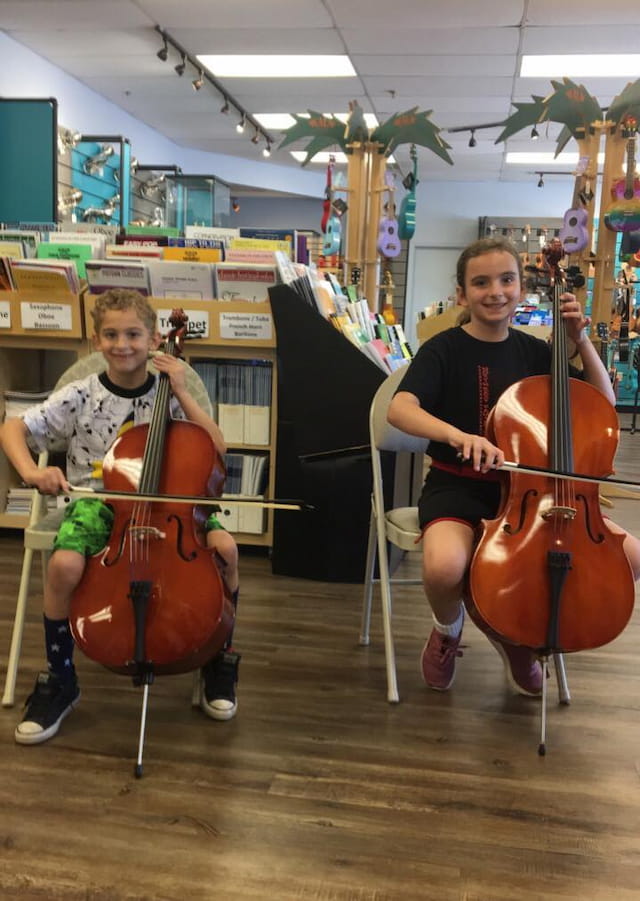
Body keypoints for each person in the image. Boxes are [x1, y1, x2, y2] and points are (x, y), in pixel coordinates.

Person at [387, 237, 640, 695]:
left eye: (507, 280)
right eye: (480, 282)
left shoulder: (533, 352)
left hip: (537, 495)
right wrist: (456, 434)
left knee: (633, 559)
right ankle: (449, 631)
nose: (495, 291)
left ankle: (518, 636)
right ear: (462, 294)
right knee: (445, 567)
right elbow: (400, 408)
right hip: (458, 485)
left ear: (522, 289)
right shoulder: (443, 349)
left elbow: (600, 403)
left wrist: (580, 340)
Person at [0, 288, 241, 745]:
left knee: (226, 548)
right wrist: (32, 470)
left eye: (133, 334)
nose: (122, 344)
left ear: (152, 339)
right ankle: (60, 678)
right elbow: (13, 427)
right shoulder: (79, 394)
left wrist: (183, 391)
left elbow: (217, 447)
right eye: (111, 334)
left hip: (170, 505)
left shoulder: (169, 393)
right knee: (64, 565)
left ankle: (217, 659)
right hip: (95, 502)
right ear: (96, 341)